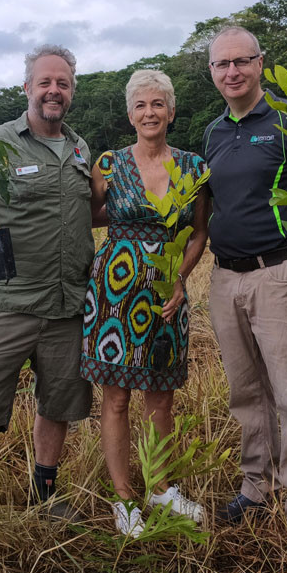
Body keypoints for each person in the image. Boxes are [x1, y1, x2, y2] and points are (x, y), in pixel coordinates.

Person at [0, 45, 95, 572]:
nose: (55, 90)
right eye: (45, 81)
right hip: (6, 301)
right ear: (27, 87)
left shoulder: (81, 150)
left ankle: (45, 493)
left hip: (66, 303)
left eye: (64, 83)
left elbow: (91, 211)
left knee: (58, 402)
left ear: (72, 91)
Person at [201, 26, 287, 545]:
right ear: (212, 72)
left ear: (261, 64)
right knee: (246, 392)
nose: (232, 72)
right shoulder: (213, 133)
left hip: (281, 274)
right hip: (225, 278)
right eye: (221, 64)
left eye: (241, 61)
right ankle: (255, 486)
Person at [80, 69, 210, 537]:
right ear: (129, 114)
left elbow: (199, 232)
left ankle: (160, 488)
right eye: (141, 105)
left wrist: (179, 278)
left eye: (158, 104)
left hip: (167, 294)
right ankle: (124, 498)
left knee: (161, 399)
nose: (149, 113)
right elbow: (86, 213)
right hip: (114, 292)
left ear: (171, 112)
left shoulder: (194, 167)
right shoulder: (110, 164)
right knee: (115, 399)